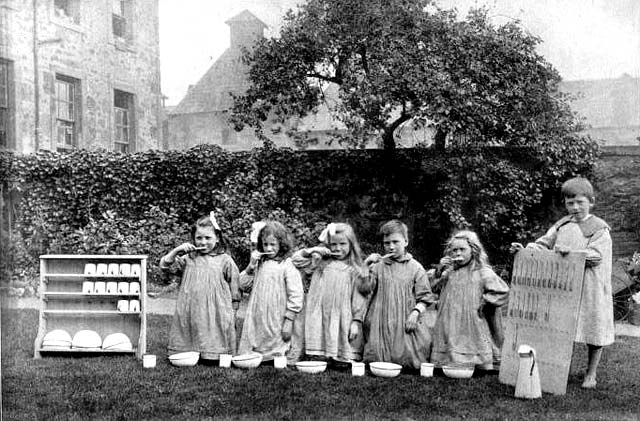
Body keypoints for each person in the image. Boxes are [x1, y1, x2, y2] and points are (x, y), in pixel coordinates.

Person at [510, 177, 613, 389]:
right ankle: (559, 368)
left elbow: (596, 257)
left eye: (580, 202)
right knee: (561, 328)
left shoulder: (599, 228)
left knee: (593, 328)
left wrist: (573, 254)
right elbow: (543, 244)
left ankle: (591, 373)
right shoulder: (562, 225)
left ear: (591, 202)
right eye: (570, 203)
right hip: (565, 286)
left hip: (590, 287)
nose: (575, 207)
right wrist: (524, 249)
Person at [160, 212, 240, 361]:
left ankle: (212, 354)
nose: (203, 242)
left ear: (217, 239)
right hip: (191, 306)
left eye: (208, 238)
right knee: (193, 326)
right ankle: (190, 351)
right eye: (199, 238)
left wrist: (234, 309)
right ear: (193, 239)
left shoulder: (225, 260)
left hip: (216, 307)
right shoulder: (188, 259)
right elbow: (164, 265)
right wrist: (177, 250)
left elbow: (235, 286)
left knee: (212, 328)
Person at [359, 220, 437, 369]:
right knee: (377, 359)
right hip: (380, 318)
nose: (391, 246)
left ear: (406, 241)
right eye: (387, 243)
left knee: (407, 358)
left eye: (395, 242)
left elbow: (426, 297)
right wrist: (365, 266)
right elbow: (364, 289)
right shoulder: (378, 266)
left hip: (405, 316)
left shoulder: (416, 267)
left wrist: (415, 313)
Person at [430, 230, 509, 371]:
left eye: (462, 249)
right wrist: (439, 270)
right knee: (451, 338)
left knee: (472, 341)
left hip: (472, 318)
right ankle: (449, 361)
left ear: (473, 250)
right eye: (454, 250)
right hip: (450, 318)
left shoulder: (482, 272)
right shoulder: (449, 272)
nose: (458, 253)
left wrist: (486, 301)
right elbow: (432, 288)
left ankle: (477, 362)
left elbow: (502, 291)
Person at [292, 222, 368, 364]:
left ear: (351, 245)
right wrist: (311, 251)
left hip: (343, 312)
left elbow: (359, 298)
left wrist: (356, 321)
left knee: (341, 333)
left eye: (343, 244)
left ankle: (341, 356)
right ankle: (320, 354)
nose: (338, 248)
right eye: (333, 244)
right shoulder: (319, 262)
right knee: (320, 331)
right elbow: (295, 260)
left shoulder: (354, 269)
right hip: (319, 310)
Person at [237, 220, 304, 362]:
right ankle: (257, 355)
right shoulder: (260, 263)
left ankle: (277, 357)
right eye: (265, 244)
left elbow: (296, 293)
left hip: (277, 313)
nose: (268, 248)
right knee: (258, 334)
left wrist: (289, 318)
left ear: (282, 244)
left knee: (277, 336)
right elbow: (243, 285)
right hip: (258, 312)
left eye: (273, 244)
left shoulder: (287, 264)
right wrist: (250, 266)